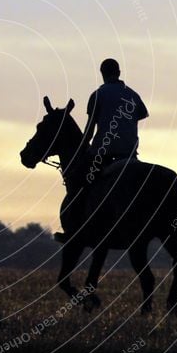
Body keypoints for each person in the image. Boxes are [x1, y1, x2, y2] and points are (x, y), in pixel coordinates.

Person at [55, 58, 149, 243]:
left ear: (102, 73)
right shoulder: (133, 95)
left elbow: (89, 130)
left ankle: (73, 230)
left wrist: (81, 151)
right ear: (119, 72)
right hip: (130, 155)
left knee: (76, 180)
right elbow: (142, 114)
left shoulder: (98, 95)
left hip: (103, 154)